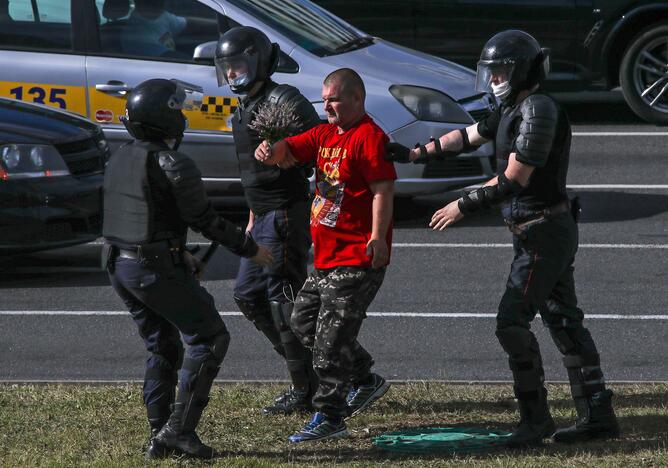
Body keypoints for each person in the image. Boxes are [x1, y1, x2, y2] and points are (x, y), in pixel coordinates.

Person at [386, 30, 620, 447]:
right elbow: (469, 134)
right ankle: (597, 415)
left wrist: (463, 204)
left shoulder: (538, 111)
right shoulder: (512, 107)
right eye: (489, 72)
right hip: (538, 230)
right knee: (563, 319)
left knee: (511, 323)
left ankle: (536, 419)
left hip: (543, 231)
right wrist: (414, 154)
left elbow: (516, 178)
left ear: (524, 70)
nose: (493, 79)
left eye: (501, 71)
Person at [102, 78, 273, 459]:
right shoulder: (171, 161)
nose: (182, 114)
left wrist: (178, 251)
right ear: (164, 118)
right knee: (210, 337)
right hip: (149, 268)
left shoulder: (120, 155)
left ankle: (158, 434)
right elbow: (205, 219)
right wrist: (251, 249)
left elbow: (141, 213)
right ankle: (177, 432)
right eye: (177, 109)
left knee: (162, 344)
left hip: (119, 264)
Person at [255, 68, 395, 442]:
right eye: (325, 98)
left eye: (335, 98)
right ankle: (365, 377)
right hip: (326, 258)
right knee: (302, 324)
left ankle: (330, 417)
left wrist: (378, 238)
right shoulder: (325, 134)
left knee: (331, 343)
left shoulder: (369, 138)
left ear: (356, 100)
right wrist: (270, 149)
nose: (328, 104)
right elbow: (289, 150)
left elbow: (383, 190)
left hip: (356, 257)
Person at [214, 26, 322, 415]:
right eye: (226, 67)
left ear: (258, 60)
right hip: (261, 217)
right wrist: (251, 215)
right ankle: (312, 374)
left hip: (285, 214)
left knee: (282, 298)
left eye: (238, 65)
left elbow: (320, 151)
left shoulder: (284, 99)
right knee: (248, 295)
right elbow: (253, 176)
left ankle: (315, 382)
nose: (231, 74)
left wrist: (286, 152)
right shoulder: (244, 106)